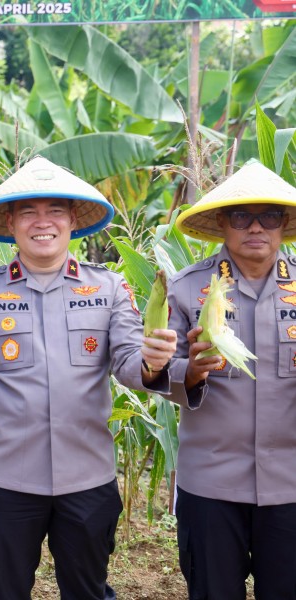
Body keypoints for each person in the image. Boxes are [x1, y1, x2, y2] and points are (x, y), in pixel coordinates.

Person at [0, 156, 177, 600]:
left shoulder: (109, 289)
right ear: (11, 222)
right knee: (4, 591)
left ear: (72, 220)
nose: (43, 223)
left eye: (54, 211)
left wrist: (153, 361)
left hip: (87, 477)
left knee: (87, 590)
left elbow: (127, 362)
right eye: (28, 212)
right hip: (6, 480)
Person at [167, 161, 296, 599]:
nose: (255, 227)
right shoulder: (186, 289)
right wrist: (189, 371)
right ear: (222, 222)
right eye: (241, 216)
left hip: (291, 485)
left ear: (284, 224)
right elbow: (154, 371)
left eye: (269, 216)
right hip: (211, 484)